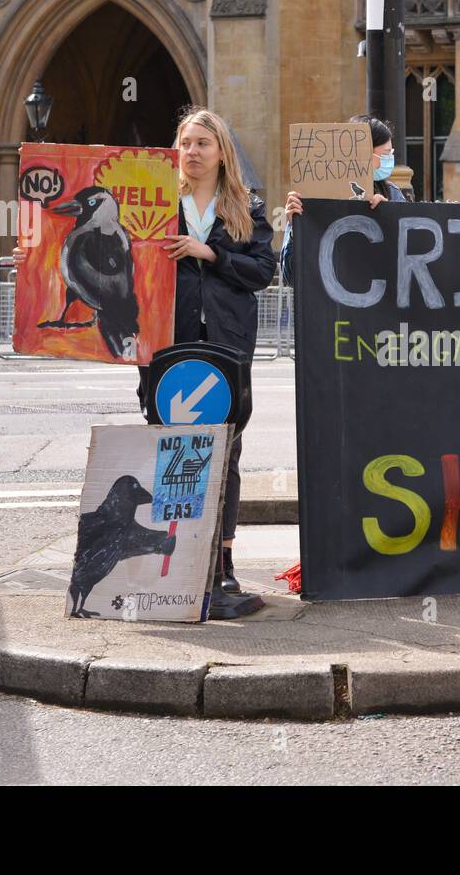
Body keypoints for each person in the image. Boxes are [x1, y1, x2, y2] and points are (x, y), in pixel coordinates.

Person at [15, 108, 276, 596]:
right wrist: (33, 259)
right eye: (185, 142)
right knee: (172, 447)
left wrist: (211, 255)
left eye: (203, 143)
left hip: (227, 343)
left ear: (223, 151)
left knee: (227, 451)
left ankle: (223, 558)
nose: (192, 152)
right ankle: (179, 557)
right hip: (166, 342)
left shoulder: (247, 208)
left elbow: (263, 271)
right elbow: (99, 249)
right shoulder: (156, 203)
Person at [280, 114, 405, 287]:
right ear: (364, 156)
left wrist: (389, 216)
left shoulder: (393, 195)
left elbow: (406, 268)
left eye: (391, 153)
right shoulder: (307, 200)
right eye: (385, 154)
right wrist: (296, 230)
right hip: (329, 310)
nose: (390, 159)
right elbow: (292, 278)